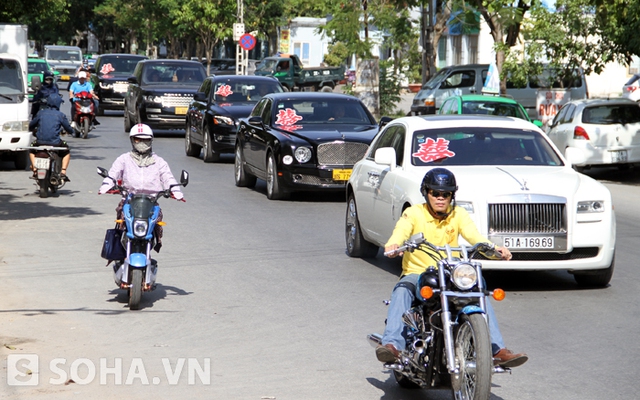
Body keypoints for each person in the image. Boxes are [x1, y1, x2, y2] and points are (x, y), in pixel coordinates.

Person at [376, 167, 528, 369]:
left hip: (451, 273)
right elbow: (401, 231)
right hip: (418, 273)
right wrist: (394, 245)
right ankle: (392, 345)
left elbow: (475, 237)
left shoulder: (458, 214)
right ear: (426, 193)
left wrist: (494, 249)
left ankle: (496, 349)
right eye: (435, 193)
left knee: (479, 289)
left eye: (445, 194)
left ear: (451, 196)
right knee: (402, 290)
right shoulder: (413, 213)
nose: (440, 198)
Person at [98, 124, 185, 253]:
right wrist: (106, 186)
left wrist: (176, 192)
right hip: (129, 201)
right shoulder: (124, 159)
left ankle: (151, 246)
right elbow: (113, 174)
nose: (142, 143)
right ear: (132, 140)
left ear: (151, 140)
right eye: (138, 139)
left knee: (156, 227)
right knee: (121, 225)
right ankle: (121, 250)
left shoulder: (159, 162)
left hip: (151, 204)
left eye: (146, 139)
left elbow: (168, 178)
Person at [28, 94, 73, 181]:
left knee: (31, 150)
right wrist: (71, 131)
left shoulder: (40, 113)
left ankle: (34, 168)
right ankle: (63, 171)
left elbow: (31, 125)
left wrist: (33, 129)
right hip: (56, 143)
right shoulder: (61, 115)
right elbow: (68, 129)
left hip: (39, 142)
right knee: (66, 151)